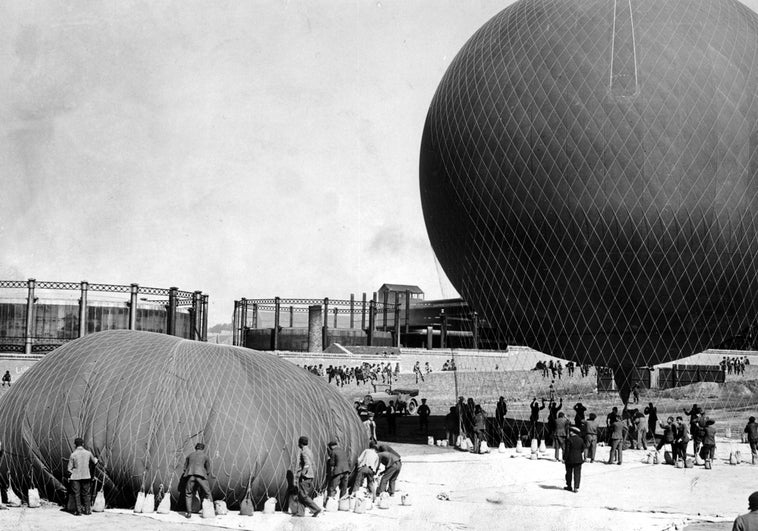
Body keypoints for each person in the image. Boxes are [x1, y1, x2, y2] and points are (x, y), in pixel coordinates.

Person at [67, 438, 99, 516]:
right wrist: (97, 458)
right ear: (83, 444)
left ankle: (78, 511)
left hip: (75, 477)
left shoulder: (73, 454)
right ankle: (88, 510)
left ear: (75, 445)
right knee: (86, 494)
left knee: (76, 494)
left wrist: (73, 473)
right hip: (86, 476)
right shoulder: (88, 453)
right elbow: (95, 461)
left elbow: (69, 468)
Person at [182, 442, 211, 519]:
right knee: (207, 493)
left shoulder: (190, 455)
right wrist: (206, 475)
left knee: (188, 493)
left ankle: (189, 513)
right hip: (201, 476)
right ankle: (210, 511)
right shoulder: (205, 456)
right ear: (203, 448)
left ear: (196, 448)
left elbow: (184, 468)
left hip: (190, 476)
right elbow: (208, 469)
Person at [295, 436, 321, 517]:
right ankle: (300, 512)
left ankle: (316, 509)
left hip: (306, 476)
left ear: (300, 443)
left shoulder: (304, 452)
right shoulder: (309, 451)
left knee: (303, 495)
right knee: (301, 494)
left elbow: (307, 464)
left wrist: (302, 473)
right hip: (311, 475)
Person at [564, 426, 585, 493]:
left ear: (573, 432)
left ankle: (569, 486)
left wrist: (564, 458)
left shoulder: (569, 439)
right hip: (578, 459)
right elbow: (582, 449)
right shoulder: (581, 440)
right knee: (577, 474)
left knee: (569, 473)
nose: (570, 432)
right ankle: (576, 487)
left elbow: (567, 450)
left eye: (571, 431)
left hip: (569, 459)